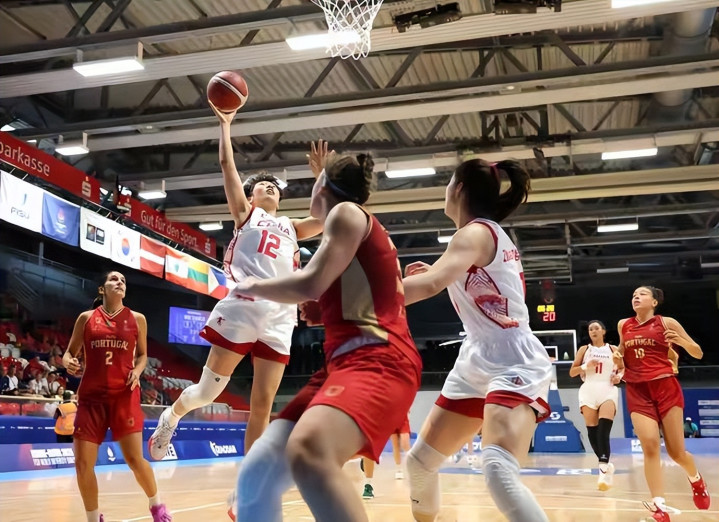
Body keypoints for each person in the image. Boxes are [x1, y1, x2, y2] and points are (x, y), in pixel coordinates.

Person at [231, 152, 422, 522]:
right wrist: (325, 306)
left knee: (310, 453)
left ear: (322, 188)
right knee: (255, 475)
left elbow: (310, 282)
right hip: (344, 361)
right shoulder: (351, 227)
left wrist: (251, 285)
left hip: (378, 359)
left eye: (316, 181)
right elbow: (373, 293)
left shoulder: (346, 214)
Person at [149, 106, 325, 459]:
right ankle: (171, 416)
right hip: (243, 306)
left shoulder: (291, 226)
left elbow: (326, 217)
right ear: (251, 196)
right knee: (207, 392)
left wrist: (322, 178)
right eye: (261, 185)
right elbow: (227, 166)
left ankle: (249, 479)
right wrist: (225, 125)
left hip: (279, 316)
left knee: (263, 405)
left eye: (273, 186)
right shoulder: (246, 214)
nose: (269, 187)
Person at [401, 159, 552, 522]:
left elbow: (429, 285)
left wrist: (350, 302)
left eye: (448, 182)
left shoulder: (473, 233)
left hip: (512, 356)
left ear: (459, 189)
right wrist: (437, 275)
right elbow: (455, 278)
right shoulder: (481, 234)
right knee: (420, 462)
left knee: (498, 469)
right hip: (477, 355)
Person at [63, 271, 171, 522]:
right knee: (82, 464)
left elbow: (142, 355)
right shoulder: (86, 318)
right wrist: (68, 362)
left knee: (134, 459)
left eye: (123, 280)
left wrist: (137, 371)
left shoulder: (137, 319)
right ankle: (93, 518)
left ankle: (156, 505)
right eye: (113, 279)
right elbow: (69, 353)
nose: (120, 282)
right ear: (102, 289)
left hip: (124, 395)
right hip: (91, 398)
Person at [614, 286, 710, 521]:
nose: (636, 297)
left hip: (665, 387)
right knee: (649, 445)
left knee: (677, 453)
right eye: (633, 294)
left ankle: (696, 481)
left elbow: (698, 353)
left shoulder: (667, 323)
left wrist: (681, 341)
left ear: (655, 302)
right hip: (637, 390)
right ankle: (659, 507)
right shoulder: (623, 325)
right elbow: (622, 352)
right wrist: (617, 361)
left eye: (642, 294)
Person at [569, 320, 619, 490]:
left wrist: (619, 377)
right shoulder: (584, 350)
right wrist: (585, 366)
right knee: (592, 431)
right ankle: (606, 465)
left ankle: (603, 470)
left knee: (604, 430)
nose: (593, 331)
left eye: (596, 328)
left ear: (603, 331)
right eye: (590, 329)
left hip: (608, 389)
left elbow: (623, 368)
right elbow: (572, 372)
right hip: (588, 389)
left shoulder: (613, 349)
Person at [391, 413, 412, 479]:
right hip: (390, 419)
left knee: (405, 443)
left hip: (403, 417)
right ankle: (398, 469)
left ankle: (413, 466)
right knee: (396, 445)